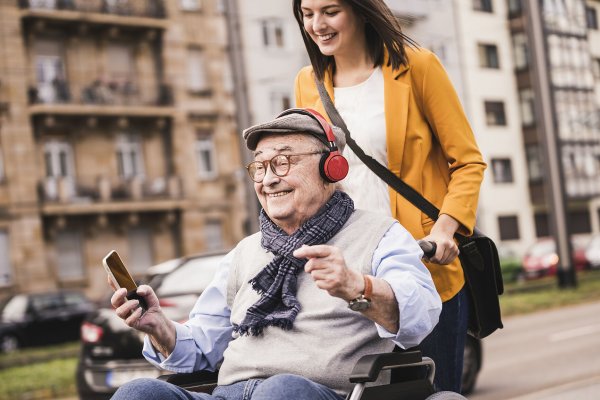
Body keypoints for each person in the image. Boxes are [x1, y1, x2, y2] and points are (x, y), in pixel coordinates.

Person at [109, 109, 442, 400]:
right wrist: (158, 328)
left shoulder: (380, 234)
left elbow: (421, 314)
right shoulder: (245, 252)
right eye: (260, 167)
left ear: (332, 168)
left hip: (319, 393)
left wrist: (359, 287)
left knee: (281, 391)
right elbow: (199, 350)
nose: (268, 180)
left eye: (282, 162)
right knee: (138, 393)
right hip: (230, 394)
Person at [292, 0, 487, 393]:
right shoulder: (307, 82)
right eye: (307, 13)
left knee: (432, 392)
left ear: (361, 10)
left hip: (423, 264)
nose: (317, 24)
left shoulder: (417, 66)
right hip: (351, 275)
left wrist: (447, 230)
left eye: (330, 11)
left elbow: (467, 162)